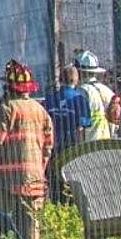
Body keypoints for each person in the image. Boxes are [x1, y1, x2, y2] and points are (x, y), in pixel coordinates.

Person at [0, 60, 54, 239]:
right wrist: (38, 169)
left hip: (7, 183)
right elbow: (48, 147)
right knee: (32, 227)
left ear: (8, 85)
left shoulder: (6, 109)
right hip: (35, 181)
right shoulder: (41, 111)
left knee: (6, 226)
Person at [42, 66, 92, 200]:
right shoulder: (80, 100)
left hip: (52, 147)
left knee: (54, 186)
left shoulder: (49, 99)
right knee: (71, 186)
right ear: (77, 79)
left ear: (60, 79)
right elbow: (81, 128)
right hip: (71, 148)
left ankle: (56, 210)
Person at [74, 50, 116, 142]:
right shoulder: (107, 91)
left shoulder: (81, 91)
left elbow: (79, 124)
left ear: (79, 72)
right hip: (108, 144)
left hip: (89, 146)